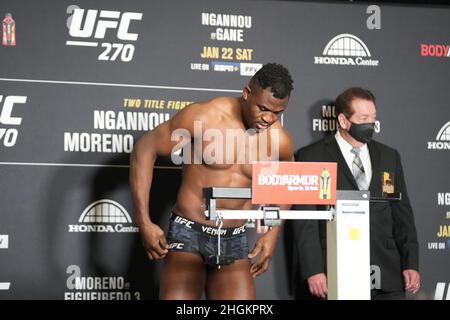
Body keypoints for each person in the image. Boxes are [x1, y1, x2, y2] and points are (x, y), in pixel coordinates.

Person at [130, 63, 294, 299]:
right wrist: (144, 221)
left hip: (234, 237)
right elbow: (145, 149)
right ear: (247, 94)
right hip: (189, 232)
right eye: (263, 108)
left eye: (277, 113)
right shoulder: (205, 116)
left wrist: (271, 233)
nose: (268, 118)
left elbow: (288, 182)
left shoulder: (280, 140)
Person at [291, 87, 420, 300]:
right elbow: (306, 220)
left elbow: (402, 212)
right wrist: (314, 269)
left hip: (387, 274)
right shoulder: (311, 156)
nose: (370, 124)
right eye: (363, 118)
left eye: (373, 118)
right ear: (343, 121)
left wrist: (410, 263)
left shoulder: (390, 156)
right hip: (335, 270)